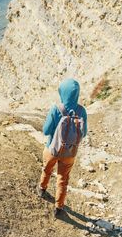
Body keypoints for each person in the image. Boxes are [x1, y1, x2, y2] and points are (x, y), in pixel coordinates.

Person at [37, 78, 87, 217]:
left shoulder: (56, 109)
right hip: (70, 153)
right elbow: (84, 133)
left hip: (52, 149)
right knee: (63, 180)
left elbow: (46, 131)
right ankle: (58, 207)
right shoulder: (82, 111)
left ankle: (42, 189)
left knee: (47, 169)